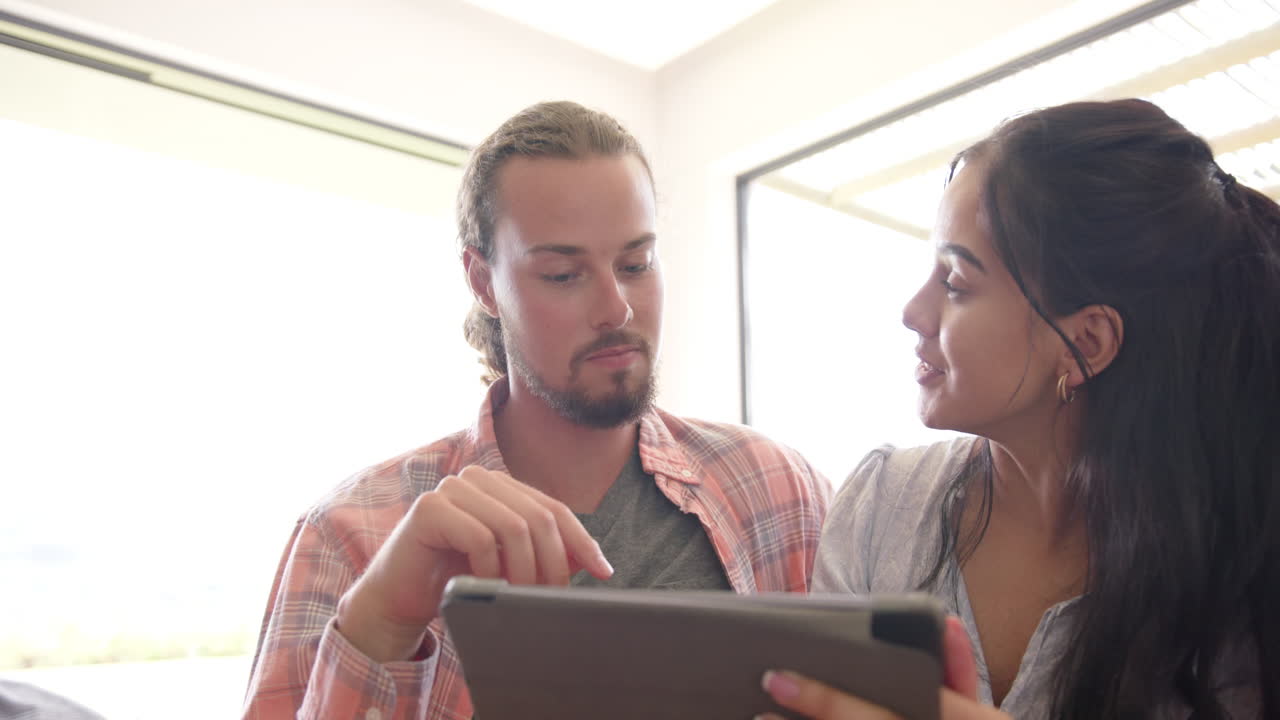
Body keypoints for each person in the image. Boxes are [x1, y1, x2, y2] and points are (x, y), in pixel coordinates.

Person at [240, 101, 831, 719]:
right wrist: (380, 630)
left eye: (636, 265)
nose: (617, 308)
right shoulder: (351, 536)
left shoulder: (780, 491)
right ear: (483, 281)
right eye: (562, 274)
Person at [763, 99, 1279, 719]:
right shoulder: (879, 505)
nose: (913, 312)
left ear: (1086, 344)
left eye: (955, 283)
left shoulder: (1235, 572)